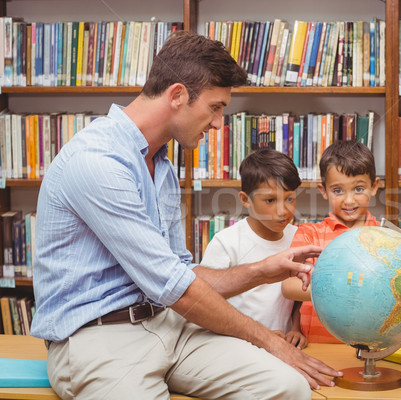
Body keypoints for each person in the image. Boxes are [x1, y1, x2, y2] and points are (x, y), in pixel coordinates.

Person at [30, 31, 340, 400]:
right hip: (98, 338)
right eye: (215, 107)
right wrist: (269, 342)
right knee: (280, 363)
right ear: (177, 95)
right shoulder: (98, 162)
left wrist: (266, 269)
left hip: (168, 324)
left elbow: (181, 273)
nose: (218, 124)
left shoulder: (161, 165)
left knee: (287, 387)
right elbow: (174, 287)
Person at [200, 149, 307, 349]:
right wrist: (258, 334)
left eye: (290, 199)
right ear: (245, 199)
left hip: (285, 347)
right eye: (270, 200)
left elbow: (301, 295)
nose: (283, 211)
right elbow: (206, 303)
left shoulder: (298, 237)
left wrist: (296, 327)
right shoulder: (226, 243)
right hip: (237, 346)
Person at [282, 140, 380, 342]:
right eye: (338, 191)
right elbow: (290, 287)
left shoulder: (385, 237)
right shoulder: (309, 234)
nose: (349, 200)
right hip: (318, 344)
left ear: (374, 187)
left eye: (359, 189)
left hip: (371, 344)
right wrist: (294, 328)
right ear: (323, 190)